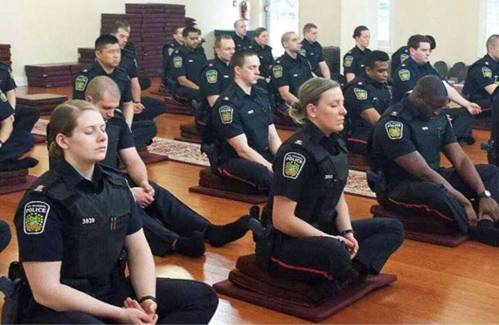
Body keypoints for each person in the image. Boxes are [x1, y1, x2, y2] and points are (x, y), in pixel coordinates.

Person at [13, 100, 219, 323]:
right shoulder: (42, 201)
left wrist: (147, 300)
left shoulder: (116, 185)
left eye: (103, 128)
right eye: (89, 132)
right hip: (60, 307)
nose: (103, 137)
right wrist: (120, 314)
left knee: (201, 296)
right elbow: (47, 292)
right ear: (63, 141)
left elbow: (139, 250)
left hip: (109, 290)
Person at [55, 76, 251, 257]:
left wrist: (143, 182)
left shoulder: (115, 118)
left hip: (110, 179)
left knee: (156, 192)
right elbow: (76, 179)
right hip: (83, 191)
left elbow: (131, 158)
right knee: (125, 205)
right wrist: (127, 194)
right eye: (105, 108)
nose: (110, 113)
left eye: (113, 108)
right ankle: (175, 243)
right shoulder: (68, 124)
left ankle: (209, 231)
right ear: (89, 101)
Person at [253, 77, 404, 284]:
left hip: (323, 228)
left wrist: (347, 232)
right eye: (334, 105)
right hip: (289, 240)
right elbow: (282, 220)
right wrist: (331, 239)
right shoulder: (296, 153)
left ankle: (349, 272)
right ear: (312, 110)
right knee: (336, 251)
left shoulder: (335, 143)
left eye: (342, 104)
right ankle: (344, 270)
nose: (344, 111)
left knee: (392, 228)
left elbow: (337, 194)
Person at [368, 75, 499, 247]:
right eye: (434, 107)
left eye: (441, 107)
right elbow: (423, 172)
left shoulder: (439, 116)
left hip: (435, 176)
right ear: (419, 97)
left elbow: (460, 160)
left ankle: (487, 219)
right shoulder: (394, 122)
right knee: (438, 193)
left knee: (491, 172)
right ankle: (478, 229)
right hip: (398, 187)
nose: (437, 112)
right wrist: (464, 201)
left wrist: (483, 194)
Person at [212, 50, 282, 192]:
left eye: (258, 67)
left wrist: (283, 159)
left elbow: (272, 135)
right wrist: (271, 167)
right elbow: (242, 150)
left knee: (296, 169)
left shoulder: (261, 95)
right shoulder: (226, 104)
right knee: (271, 178)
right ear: (238, 70)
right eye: (252, 68)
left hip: (260, 153)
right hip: (234, 159)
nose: (258, 72)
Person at [392, 34, 481, 143]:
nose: (428, 53)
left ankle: (450, 141)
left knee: (466, 113)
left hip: (431, 110)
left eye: (429, 50)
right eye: (424, 50)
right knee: (443, 118)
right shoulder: (404, 71)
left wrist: (467, 104)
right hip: (412, 113)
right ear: (412, 51)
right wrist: (438, 113)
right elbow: (415, 98)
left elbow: (445, 87)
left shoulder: (428, 67)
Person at [72, 35, 155, 149]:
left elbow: (127, 103)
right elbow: (78, 107)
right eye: (111, 52)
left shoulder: (123, 75)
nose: (116, 56)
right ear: (98, 54)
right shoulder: (85, 77)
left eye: (118, 52)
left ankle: (115, 146)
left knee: (150, 127)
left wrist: (127, 127)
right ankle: (118, 147)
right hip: (94, 124)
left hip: (116, 120)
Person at [110, 20, 165, 122]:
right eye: (122, 36)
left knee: (160, 105)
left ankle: (136, 121)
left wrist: (137, 102)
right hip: (113, 102)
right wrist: (126, 106)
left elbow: (135, 84)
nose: (125, 40)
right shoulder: (104, 57)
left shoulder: (128, 57)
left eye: (127, 37)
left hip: (127, 98)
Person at [344, 50, 391, 155]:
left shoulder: (383, 85)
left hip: (378, 132)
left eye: (387, 71)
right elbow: (371, 117)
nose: (385, 74)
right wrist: (391, 133)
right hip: (360, 135)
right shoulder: (357, 88)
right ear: (368, 70)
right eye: (381, 71)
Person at [0, 63, 39, 170]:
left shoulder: (2, 70)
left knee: (27, 138)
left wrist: (11, 112)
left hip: (4, 109)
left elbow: (10, 93)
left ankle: (10, 146)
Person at [198, 35, 235, 143]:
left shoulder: (233, 67)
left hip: (233, 109)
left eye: (233, 48)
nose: (232, 52)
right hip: (217, 115)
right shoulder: (211, 70)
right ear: (217, 50)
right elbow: (214, 102)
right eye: (228, 49)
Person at [271, 31, 314, 110]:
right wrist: (303, 108)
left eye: (298, 39)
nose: (299, 42)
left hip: (306, 101)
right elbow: (285, 94)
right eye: (294, 40)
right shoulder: (279, 65)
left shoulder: (303, 60)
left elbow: (311, 83)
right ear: (285, 44)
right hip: (290, 106)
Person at [169, 26, 207, 103]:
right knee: (203, 95)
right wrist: (200, 89)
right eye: (192, 39)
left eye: (197, 38)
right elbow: (182, 81)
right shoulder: (178, 55)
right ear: (184, 38)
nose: (195, 41)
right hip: (184, 87)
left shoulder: (199, 51)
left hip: (200, 84)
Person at [463, 34, 499, 112]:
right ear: (491, 48)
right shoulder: (481, 67)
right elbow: (493, 91)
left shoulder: (496, 64)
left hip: (491, 102)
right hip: (477, 105)